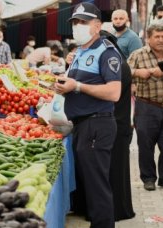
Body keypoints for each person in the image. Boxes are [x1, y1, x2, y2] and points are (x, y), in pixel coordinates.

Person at [54, 3, 121, 228]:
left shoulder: (106, 51)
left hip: (97, 124)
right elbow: (74, 83)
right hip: (83, 125)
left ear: (98, 26)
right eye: (75, 22)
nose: (78, 27)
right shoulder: (81, 51)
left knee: (97, 187)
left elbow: (114, 92)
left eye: (83, 22)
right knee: (91, 186)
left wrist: (77, 86)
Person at [101, 30, 136, 221]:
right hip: (119, 123)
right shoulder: (119, 63)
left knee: (115, 170)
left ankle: (116, 211)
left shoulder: (116, 66)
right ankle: (119, 209)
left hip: (116, 124)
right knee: (117, 170)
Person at [127, 22, 163, 191]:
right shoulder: (138, 55)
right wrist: (137, 72)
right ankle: (148, 178)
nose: (161, 40)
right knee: (146, 145)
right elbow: (123, 71)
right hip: (146, 106)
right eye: (157, 36)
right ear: (148, 38)